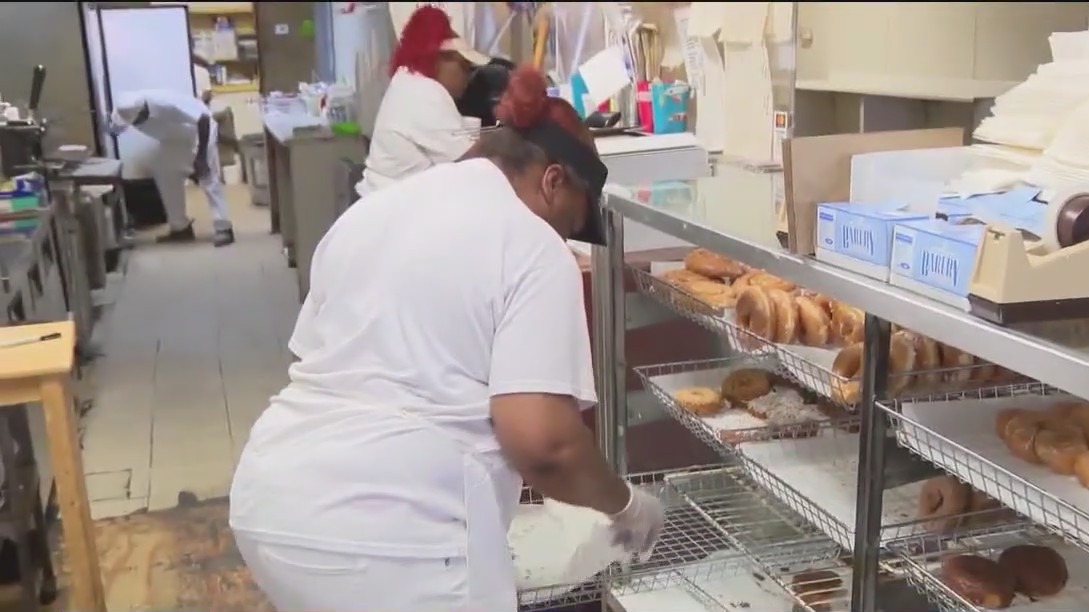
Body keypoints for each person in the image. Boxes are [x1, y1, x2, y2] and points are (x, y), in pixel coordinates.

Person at [229, 65, 664, 612]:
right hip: (389, 536)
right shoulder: (531, 244)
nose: (566, 240)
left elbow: (317, 360)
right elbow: (543, 443)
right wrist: (625, 505)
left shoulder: (371, 214)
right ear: (553, 181)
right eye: (571, 224)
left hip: (269, 503)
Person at [355, 6, 490, 198]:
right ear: (442, 59)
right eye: (465, 67)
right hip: (388, 208)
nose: (468, 78)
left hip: (384, 200)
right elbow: (470, 159)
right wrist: (508, 143)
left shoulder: (407, 79)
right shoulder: (425, 92)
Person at [111, 90, 234, 247]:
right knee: (163, 170)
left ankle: (224, 227)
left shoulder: (164, 103)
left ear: (144, 110)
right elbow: (114, 128)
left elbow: (203, 119)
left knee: (207, 176)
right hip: (173, 139)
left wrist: (201, 157)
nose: (135, 124)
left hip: (199, 133)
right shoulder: (124, 109)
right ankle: (180, 228)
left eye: (137, 121)